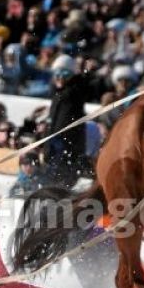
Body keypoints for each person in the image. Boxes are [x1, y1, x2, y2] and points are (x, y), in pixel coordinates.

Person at [43, 54, 95, 189]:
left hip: (68, 144)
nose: (59, 78)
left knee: (63, 182)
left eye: (64, 74)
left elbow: (83, 86)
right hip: (54, 142)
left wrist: (85, 73)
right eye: (57, 74)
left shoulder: (74, 91)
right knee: (50, 181)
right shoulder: (57, 93)